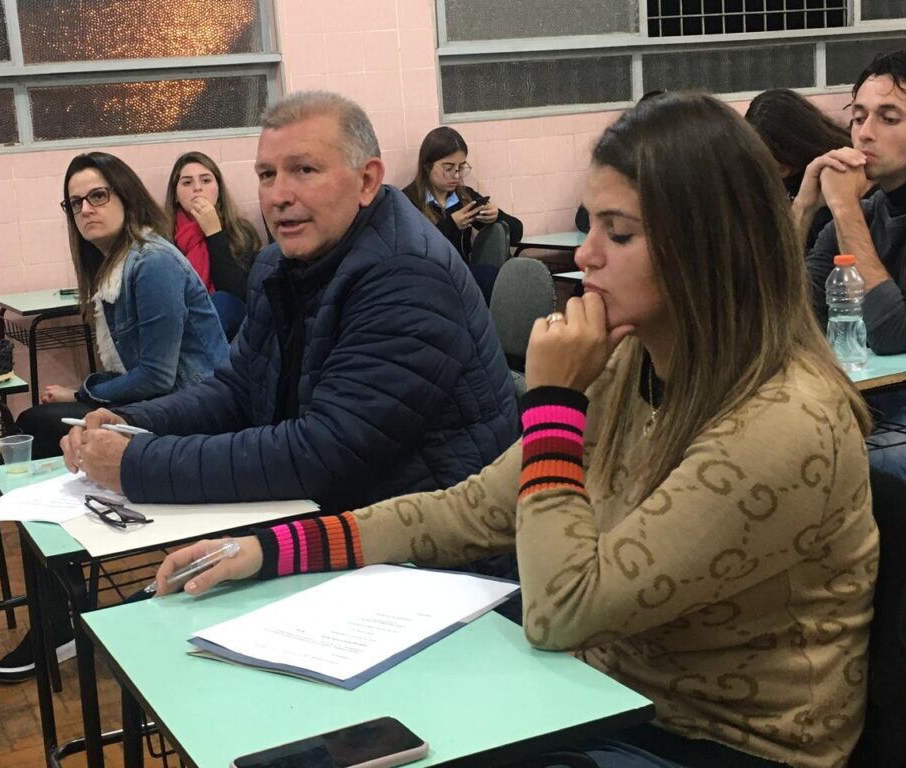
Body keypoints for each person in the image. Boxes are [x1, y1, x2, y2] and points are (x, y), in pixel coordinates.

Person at [156, 94, 877, 768]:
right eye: (592, 226)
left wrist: (556, 401)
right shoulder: (633, 362)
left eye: (619, 233)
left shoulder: (784, 421)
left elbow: (563, 611)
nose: (585, 255)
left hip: (714, 744)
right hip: (597, 702)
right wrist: (271, 549)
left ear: (710, 248)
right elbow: (470, 508)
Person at [62, 91, 518, 516]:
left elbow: (328, 450)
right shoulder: (278, 264)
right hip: (344, 515)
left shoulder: (409, 275)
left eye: (304, 170)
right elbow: (238, 389)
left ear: (367, 180)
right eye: (267, 175)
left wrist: (137, 463)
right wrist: (133, 422)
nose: (279, 195)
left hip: (432, 541)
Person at [0, 151, 228, 681]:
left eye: (98, 196)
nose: (86, 209)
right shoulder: (116, 265)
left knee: (39, 427)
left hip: (201, 414)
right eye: (75, 203)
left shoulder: (152, 262)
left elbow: (158, 377)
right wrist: (89, 398)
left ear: (125, 197)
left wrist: (84, 391)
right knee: (50, 446)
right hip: (165, 406)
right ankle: (45, 605)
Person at [797, 50, 906, 481]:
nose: (864, 134)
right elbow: (785, 309)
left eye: (888, 118)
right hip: (866, 403)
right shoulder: (868, 211)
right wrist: (804, 206)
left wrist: (843, 207)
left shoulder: (852, 213)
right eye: (858, 117)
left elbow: (893, 335)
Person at [165, 151, 262, 338]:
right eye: (187, 183)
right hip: (183, 328)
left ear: (218, 189)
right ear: (175, 194)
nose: (197, 188)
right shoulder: (164, 238)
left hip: (232, 328)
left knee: (222, 301)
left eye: (206, 180)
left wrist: (214, 233)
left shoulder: (241, 232)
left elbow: (238, 294)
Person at [745, 88, 855, 250]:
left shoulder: (837, 172)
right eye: (761, 154)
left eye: (778, 151)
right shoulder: (761, 181)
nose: (772, 162)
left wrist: (802, 207)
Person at [402, 126, 522, 262]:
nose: (456, 175)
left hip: (464, 272)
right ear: (427, 166)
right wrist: (452, 225)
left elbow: (517, 233)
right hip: (429, 273)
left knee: (494, 271)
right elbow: (412, 249)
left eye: (461, 167)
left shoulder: (465, 197)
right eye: (448, 168)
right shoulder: (407, 201)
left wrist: (496, 216)